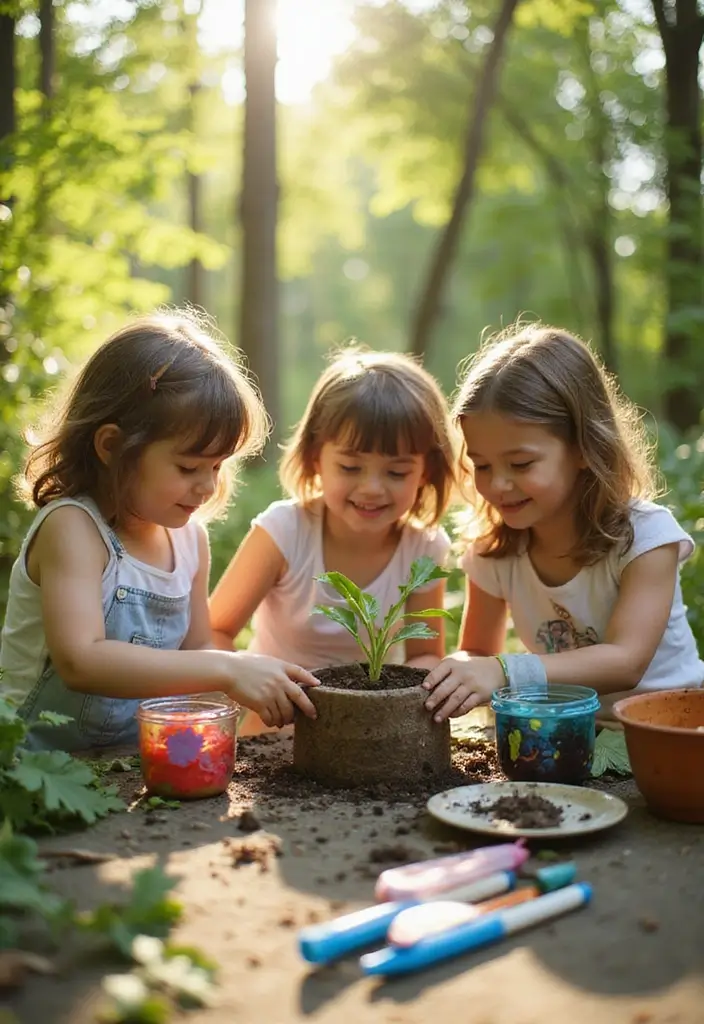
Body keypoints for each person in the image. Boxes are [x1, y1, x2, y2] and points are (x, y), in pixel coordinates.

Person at [0, 311, 318, 751]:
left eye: (217, 466)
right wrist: (226, 668)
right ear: (112, 447)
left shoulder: (189, 541)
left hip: (132, 765)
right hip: (32, 767)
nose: (207, 486)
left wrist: (248, 687)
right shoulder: (73, 529)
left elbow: (198, 649)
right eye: (188, 466)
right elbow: (81, 659)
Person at [423, 323, 703, 723]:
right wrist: (460, 670)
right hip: (564, 731)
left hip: (668, 729)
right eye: (481, 465)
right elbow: (479, 651)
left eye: (521, 464)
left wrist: (503, 671)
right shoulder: (495, 550)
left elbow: (626, 662)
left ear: (584, 448)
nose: (497, 484)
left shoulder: (645, 538)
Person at [209, 347, 457, 733]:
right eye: (350, 466)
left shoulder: (424, 547)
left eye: (396, 472)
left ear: (426, 471)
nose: (372, 488)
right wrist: (248, 680)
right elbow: (215, 630)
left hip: (368, 732)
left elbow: (425, 652)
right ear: (314, 458)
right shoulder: (285, 531)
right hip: (273, 732)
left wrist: (396, 697)